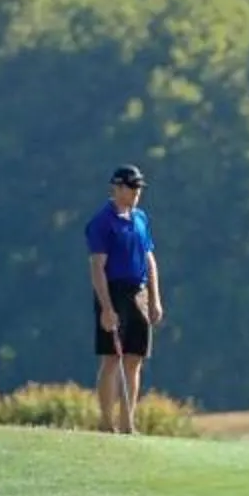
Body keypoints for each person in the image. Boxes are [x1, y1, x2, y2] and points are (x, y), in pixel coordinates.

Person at [85, 165, 164, 434]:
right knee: (111, 358)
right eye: (132, 187)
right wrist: (106, 308)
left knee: (134, 359)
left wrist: (155, 298)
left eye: (138, 188)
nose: (137, 193)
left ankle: (128, 423)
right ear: (117, 188)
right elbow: (97, 267)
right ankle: (107, 424)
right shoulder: (102, 222)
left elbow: (149, 259)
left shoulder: (140, 218)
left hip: (138, 292)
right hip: (113, 292)